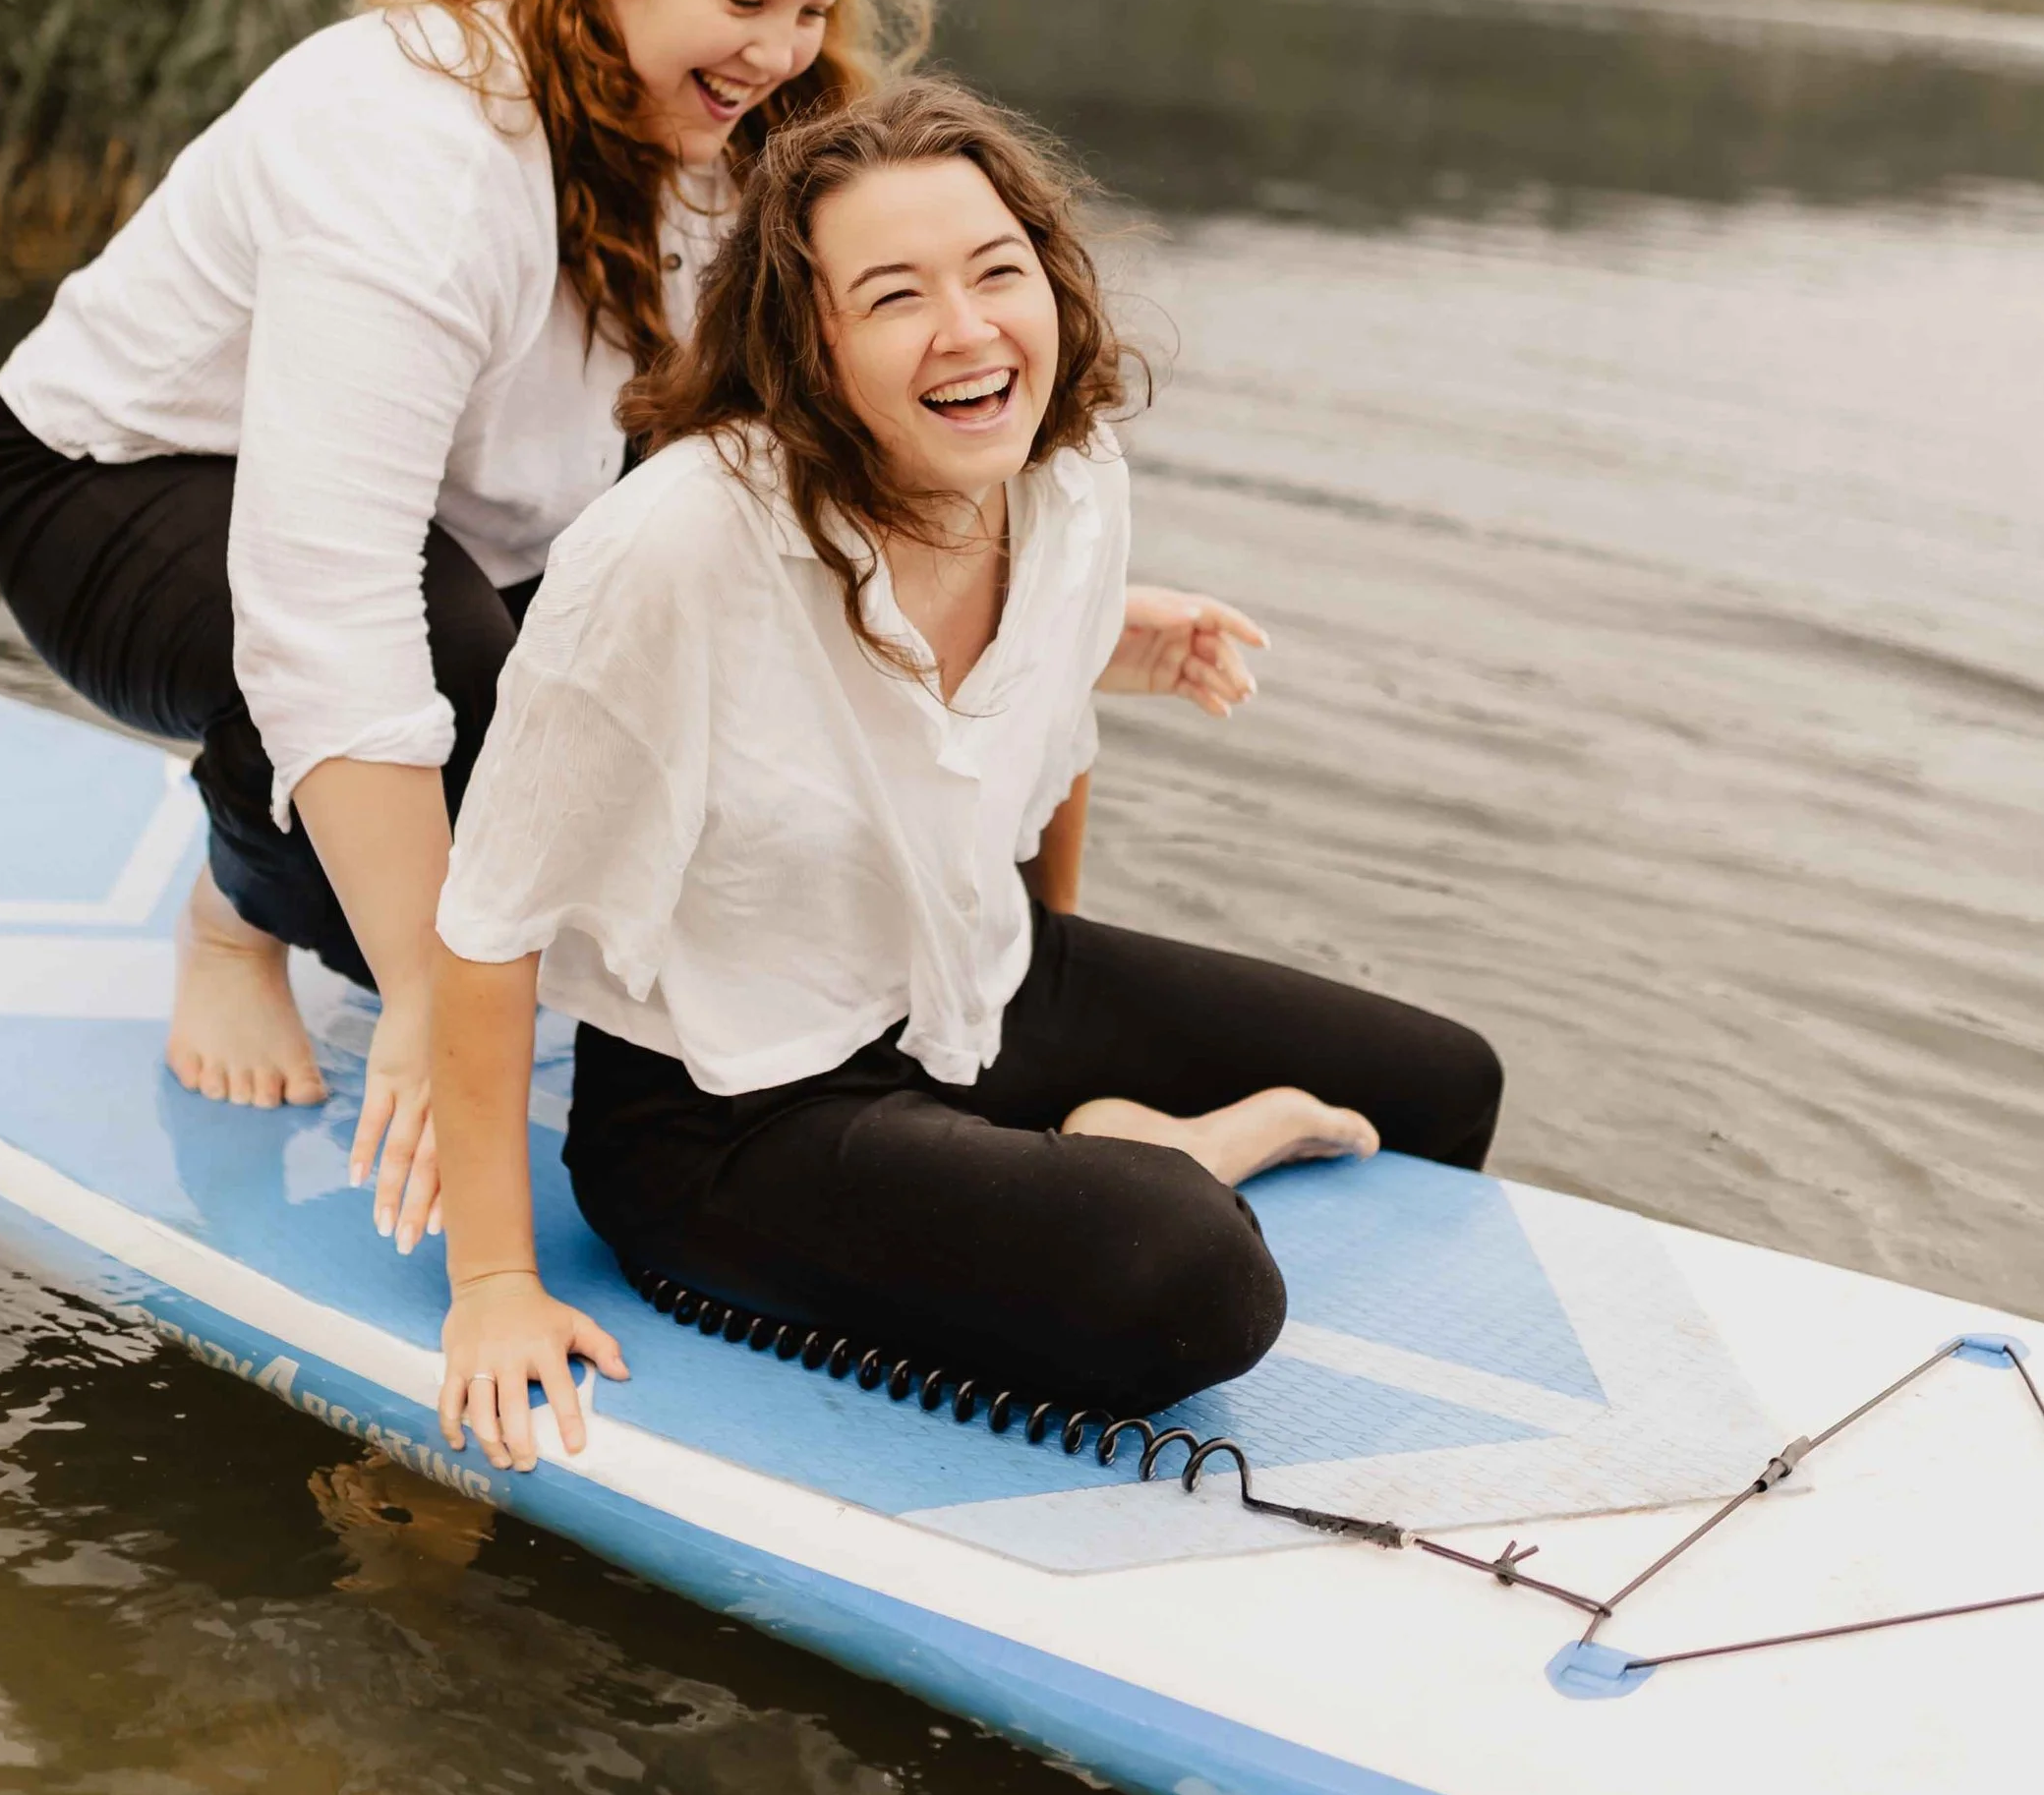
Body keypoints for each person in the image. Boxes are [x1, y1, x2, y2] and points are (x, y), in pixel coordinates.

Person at [423, 77, 1503, 1473]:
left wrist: (1050, 968)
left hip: (968, 985)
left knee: (1443, 1086)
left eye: (999, 271)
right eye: (894, 297)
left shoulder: (1065, 475)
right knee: (1192, 1282)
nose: (972, 329)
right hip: (732, 1114)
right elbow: (488, 918)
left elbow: (1048, 742)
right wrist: (495, 1283)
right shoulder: (673, 549)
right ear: (805, 342)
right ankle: (1158, 1153)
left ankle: (1103, 1131)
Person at [0, 0, 955, 1232]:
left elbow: (765, 470)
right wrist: (442, 1002)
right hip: (114, 478)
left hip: (441, 521)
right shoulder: (412, 143)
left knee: (599, 711)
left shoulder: (721, 124)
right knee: (444, 686)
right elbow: (327, 599)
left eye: (813, 7)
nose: (778, 50)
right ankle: (234, 919)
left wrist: (1027, 596)